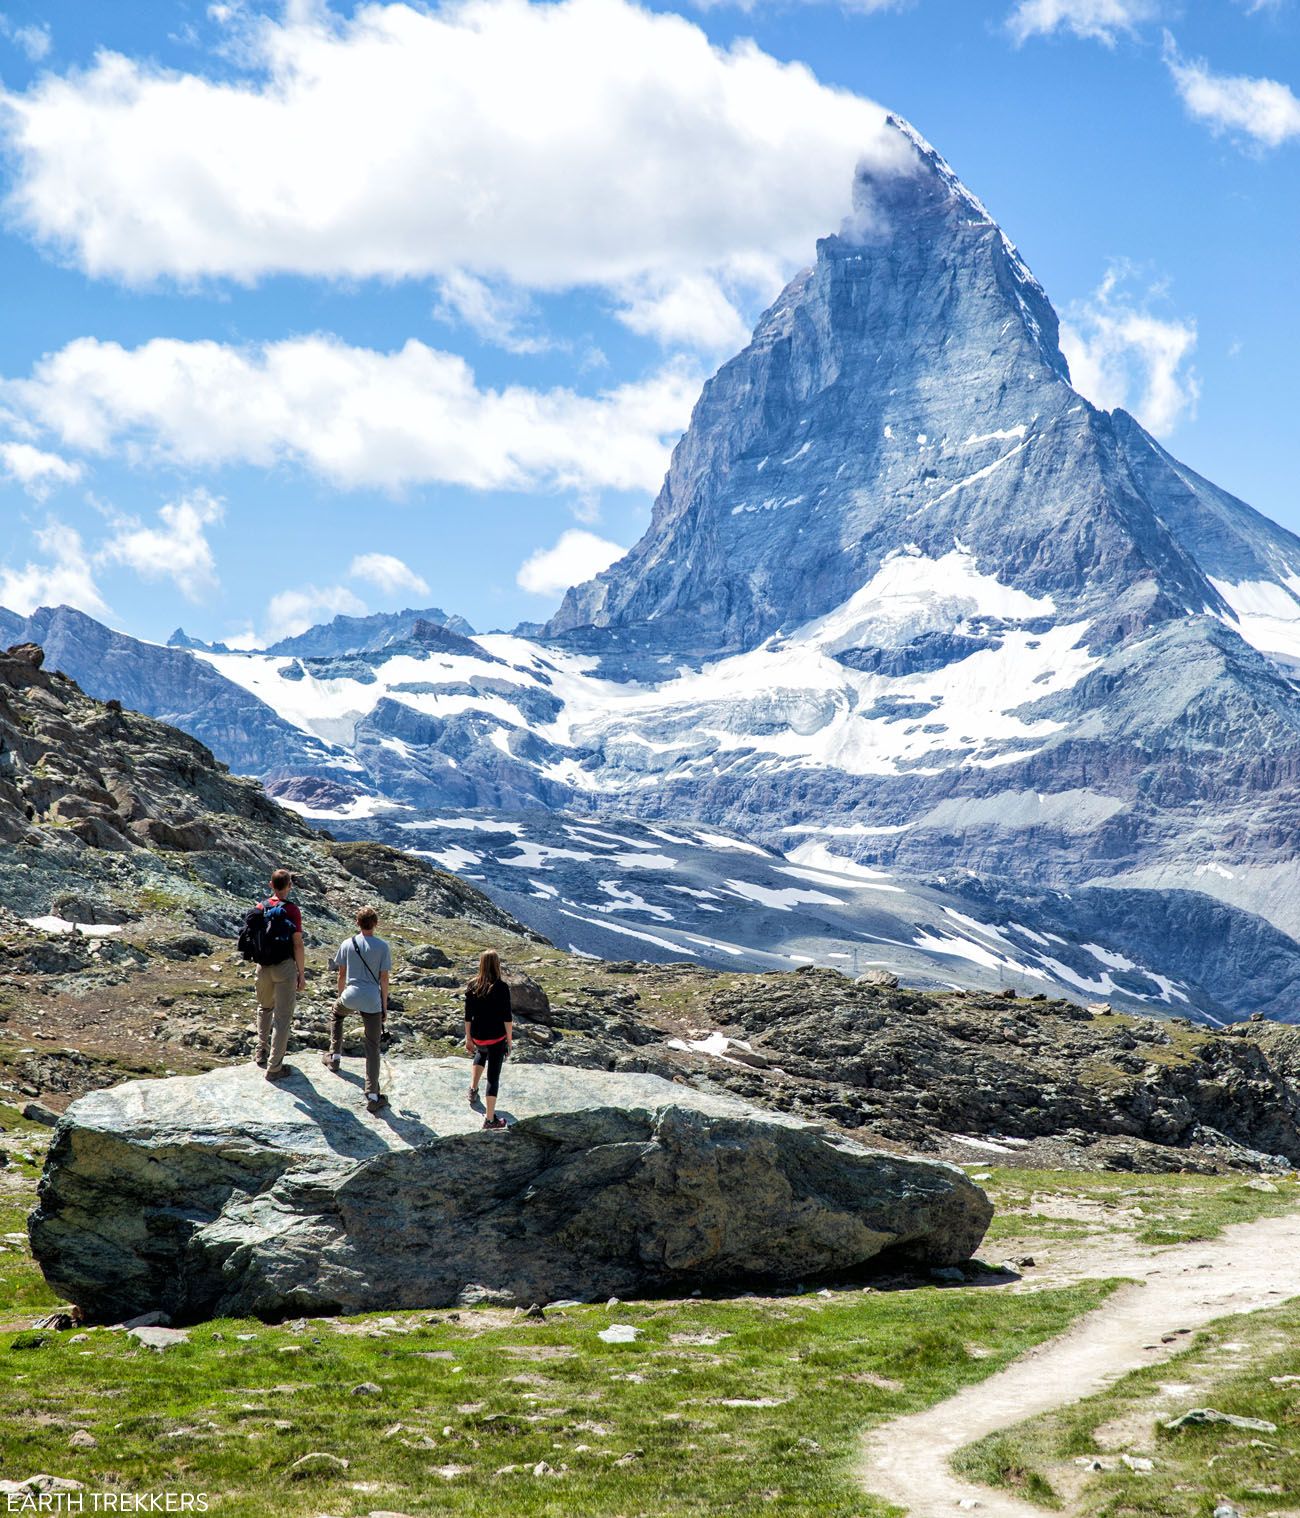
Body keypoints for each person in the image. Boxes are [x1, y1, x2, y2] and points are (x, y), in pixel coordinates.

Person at [325, 906, 391, 1112]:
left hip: (350, 995)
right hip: (372, 999)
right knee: (372, 1045)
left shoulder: (347, 943)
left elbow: (341, 974)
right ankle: (372, 1094)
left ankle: (334, 1057)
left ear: (357, 923)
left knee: (337, 1015)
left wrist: (341, 995)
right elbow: (384, 978)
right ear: (376, 923)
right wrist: (384, 1006)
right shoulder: (382, 946)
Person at [250, 868, 305, 1082]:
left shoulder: (260, 907)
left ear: (270, 885)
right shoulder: (292, 911)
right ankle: (274, 1067)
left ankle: (260, 1051)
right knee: (282, 1018)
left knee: (264, 1008)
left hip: (262, 967)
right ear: (289, 886)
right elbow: (298, 944)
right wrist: (301, 973)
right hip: (284, 967)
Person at [465, 950, 512, 1130]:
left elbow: (468, 1016)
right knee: (493, 1077)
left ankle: (473, 1089)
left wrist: (468, 1038)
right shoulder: (501, 987)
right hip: (496, 1036)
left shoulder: (472, 985)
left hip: (478, 1036)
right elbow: (507, 1017)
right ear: (497, 965)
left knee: (480, 1053)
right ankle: (490, 1119)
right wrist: (509, 1039)